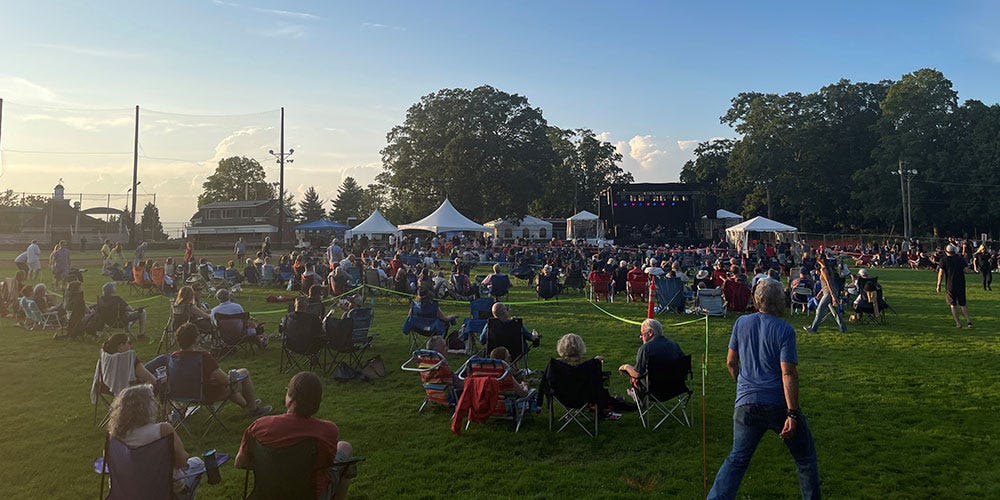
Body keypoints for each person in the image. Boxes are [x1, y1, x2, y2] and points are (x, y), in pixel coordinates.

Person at [707, 279, 820, 499]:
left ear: (756, 299)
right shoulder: (785, 331)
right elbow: (788, 373)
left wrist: (742, 384)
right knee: (805, 458)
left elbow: (731, 362)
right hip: (777, 403)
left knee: (737, 459)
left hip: (747, 404)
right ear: (780, 301)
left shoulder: (741, 323)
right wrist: (793, 413)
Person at [236, 371, 356, 500]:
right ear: (317, 402)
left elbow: (240, 463)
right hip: (310, 495)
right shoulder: (328, 430)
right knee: (345, 447)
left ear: (290, 398)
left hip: (267, 494)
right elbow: (327, 466)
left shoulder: (258, 427)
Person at [107, 384, 204, 499]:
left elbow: (113, 467)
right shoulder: (162, 430)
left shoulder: (114, 437)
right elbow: (182, 462)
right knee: (197, 463)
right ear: (147, 407)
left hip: (128, 493)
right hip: (166, 492)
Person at [169, 323, 271, 417]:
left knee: (229, 386)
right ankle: (253, 409)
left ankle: (247, 405)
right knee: (242, 373)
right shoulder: (203, 357)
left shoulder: (173, 357)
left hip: (182, 394)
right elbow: (225, 381)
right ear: (195, 339)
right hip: (205, 395)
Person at [617, 319, 684, 384]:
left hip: (654, 387)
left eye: (642, 333)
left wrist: (626, 367)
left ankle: (634, 393)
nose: (640, 337)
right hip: (675, 385)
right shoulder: (674, 344)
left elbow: (637, 374)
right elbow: (683, 364)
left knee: (634, 379)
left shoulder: (645, 348)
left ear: (650, 333)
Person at [802, 256, 846, 334]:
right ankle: (843, 328)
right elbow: (826, 284)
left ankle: (813, 328)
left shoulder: (823, 270)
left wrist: (832, 296)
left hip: (829, 293)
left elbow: (828, 283)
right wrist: (821, 292)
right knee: (835, 312)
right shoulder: (829, 269)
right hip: (829, 292)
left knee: (819, 310)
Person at [936, 243, 972, 328]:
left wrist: (938, 285)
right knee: (963, 304)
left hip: (950, 284)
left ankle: (958, 323)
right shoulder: (960, 259)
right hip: (961, 283)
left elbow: (941, 273)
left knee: (953, 304)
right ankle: (968, 321)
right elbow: (966, 270)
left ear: (946, 251)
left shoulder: (943, 260)